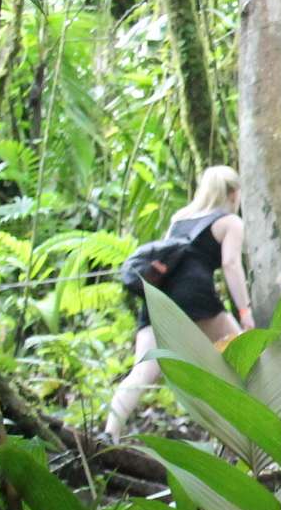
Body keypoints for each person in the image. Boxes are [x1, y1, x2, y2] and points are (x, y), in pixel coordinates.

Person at [105, 165, 254, 439]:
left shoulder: (179, 219)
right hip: (196, 297)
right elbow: (231, 264)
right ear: (233, 194)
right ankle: (250, 439)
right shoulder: (230, 222)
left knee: (143, 371)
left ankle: (109, 433)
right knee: (247, 360)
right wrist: (245, 312)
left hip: (160, 297)